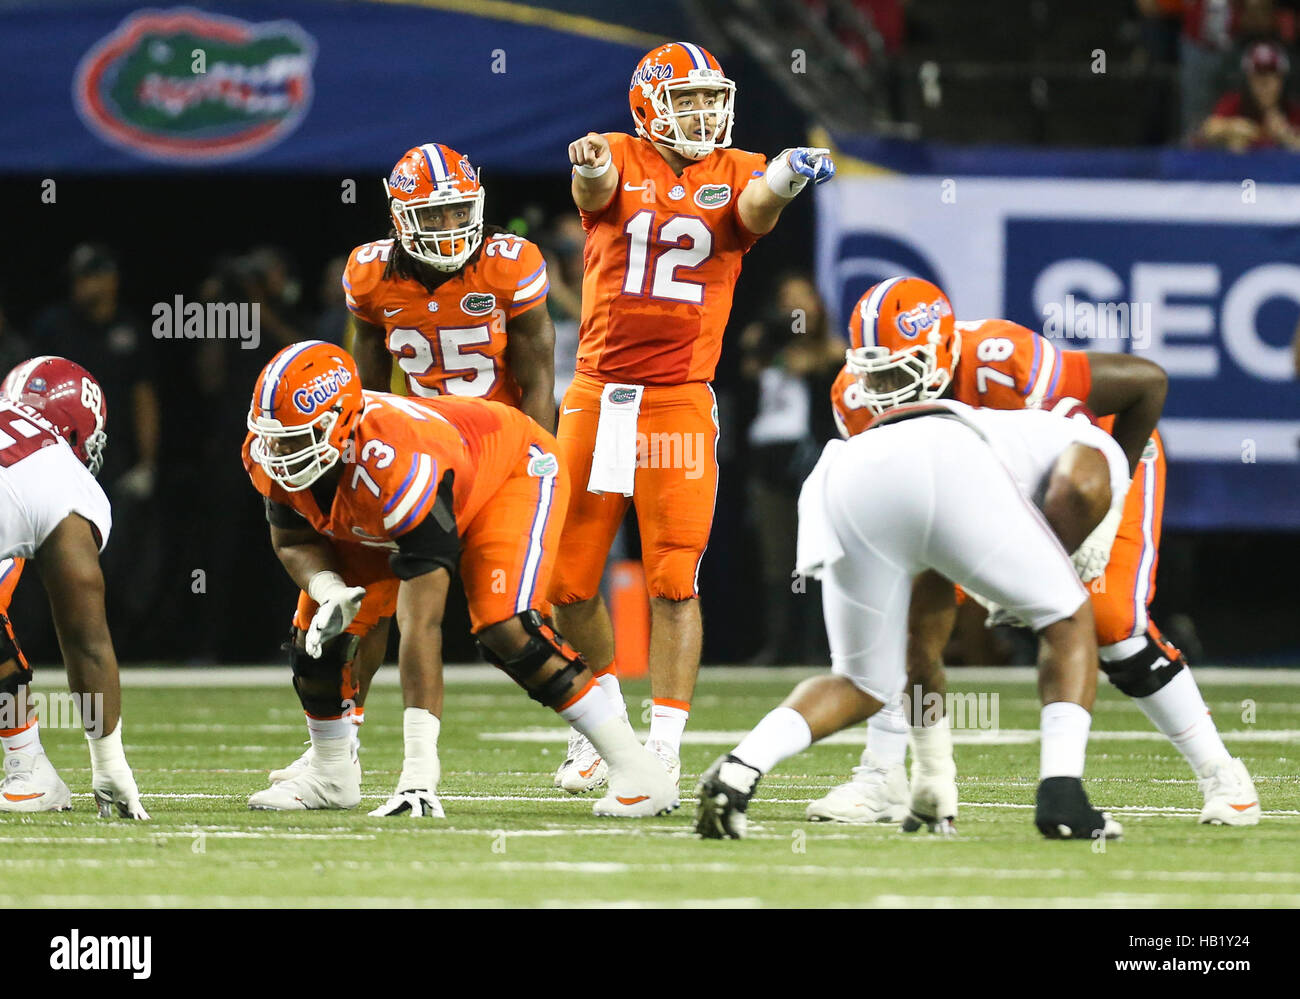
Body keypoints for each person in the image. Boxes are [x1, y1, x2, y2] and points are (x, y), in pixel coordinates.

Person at [807, 277, 1259, 826]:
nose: (883, 386)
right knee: (908, 620)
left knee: (1111, 622)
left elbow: (1143, 385)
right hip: (974, 483)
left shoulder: (1008, 362)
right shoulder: (854, 399)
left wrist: (1097, 515)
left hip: (1085, 470)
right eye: (873, 370)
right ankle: (886, 776)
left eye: (900, 369)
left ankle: (1222, 775)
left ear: (946, 350)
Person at [549, 41, 836, 795]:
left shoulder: (737, 169)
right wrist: (586, 165)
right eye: (688, 100)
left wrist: (784, 174)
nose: (704, 113)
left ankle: (665, 745)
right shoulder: (617, 153)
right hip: (598, 392)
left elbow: (752, 209)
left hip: (677, 396)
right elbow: (597, 184)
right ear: (648, 106)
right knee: (568, 581)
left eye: (713, 99)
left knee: (675, 578)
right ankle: (604, 730)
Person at [243, 341, 675, 817]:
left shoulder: (397, 462)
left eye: (296, 437)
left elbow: (421, 625)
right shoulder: (275, 454)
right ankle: (331, 775)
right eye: (274, 437)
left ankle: (637, 769)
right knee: (315, 636)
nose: (280, 452)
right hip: (386, 494)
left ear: (341, 422)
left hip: (509, 471)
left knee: (505, 629)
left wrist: (418, 775)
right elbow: (293, 542)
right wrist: (331, 593)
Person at [696, 392, 1130, 841]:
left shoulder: (1009, 436)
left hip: (850, 467)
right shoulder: (1093, 444)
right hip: (947, 463)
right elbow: (1080, 486)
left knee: (862, 683)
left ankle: (738, 771)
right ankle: (1063, 795)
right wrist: (1045, 585)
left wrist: (932, 778)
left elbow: (921, 636)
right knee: (1070, 617)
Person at [263, 144, 559, 800]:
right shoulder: (369, 275)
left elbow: (539, 374)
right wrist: (357, 453)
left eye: (459, 206)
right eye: (434, 211)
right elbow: (360, 380)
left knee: (545, 596)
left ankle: (592, 740)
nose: (451, 222)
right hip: (415, 455)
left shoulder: (511, 266)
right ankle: (341, 747)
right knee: (360, 600)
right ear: (398, 217)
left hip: (497, 455)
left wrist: (542, 457)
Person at [0, 357, 148, 818]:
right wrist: (108, 763)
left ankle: (28, 764)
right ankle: (28, 766)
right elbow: (85, 640)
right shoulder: (58, 475)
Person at [739, 272, 845, 664]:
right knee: (776, 559)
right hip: (767, 462)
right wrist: (768, 344)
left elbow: (831, 384)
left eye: (803, 300)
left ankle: (818, 646)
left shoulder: (832, 353)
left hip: (811, 462)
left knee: (815, 555)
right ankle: (778, 645)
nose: (795, 308)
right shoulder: (763, 347)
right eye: (787, 299)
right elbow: (748, 370)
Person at [1197, 40, 1300, 149]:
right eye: (1258, 76)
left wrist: (1286, 136)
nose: (1264, 84)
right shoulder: (1234, 103)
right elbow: (1209, 128)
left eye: (1271, 76)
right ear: (1248, 80)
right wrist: (1232, 127)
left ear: (1282, 80)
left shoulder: (1293, 110)